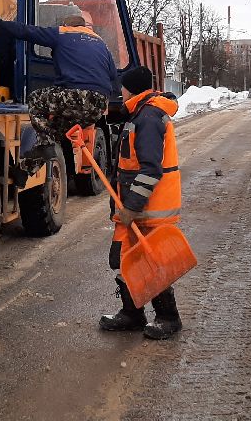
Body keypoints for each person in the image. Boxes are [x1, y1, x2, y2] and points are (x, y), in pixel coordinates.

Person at [99, 66, 183, 340]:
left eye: (122, 87)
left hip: (150, 208)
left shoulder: (147, 118)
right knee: (126, 259)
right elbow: (117, 113)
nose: (119, 92)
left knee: (151, 260)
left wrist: (132, 207)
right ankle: (132, 313)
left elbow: (151, 170)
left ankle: (168, 317)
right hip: (136, 207)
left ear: (131, 89)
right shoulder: (139, 111)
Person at [0, 13, 119, 160]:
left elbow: (27, 31)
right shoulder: (100, 42)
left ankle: (46, 145)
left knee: (36, 99)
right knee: (52, 131)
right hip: (99, 105)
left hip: (77, 95)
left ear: (66, 25)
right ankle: (26, 170)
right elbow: (112, 74)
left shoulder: (62, 33)